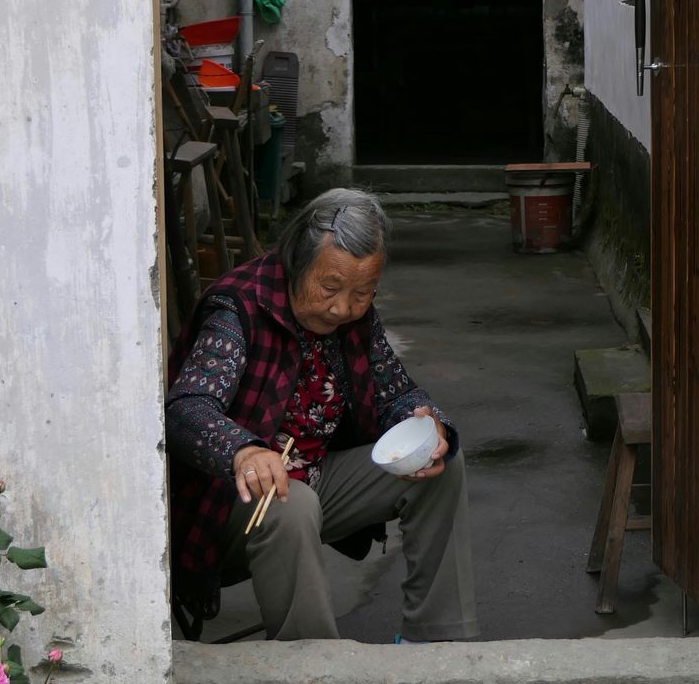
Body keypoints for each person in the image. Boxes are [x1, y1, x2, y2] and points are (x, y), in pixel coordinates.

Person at [166, 188, 477, 642]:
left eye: (363, 293)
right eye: (330, 288)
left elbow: (396, 390)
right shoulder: (238, 307)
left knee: (442, 464)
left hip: (315, 479)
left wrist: (424, 420)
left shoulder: (354, 318)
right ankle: (312, 663)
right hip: (230, 504)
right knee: (291, 502)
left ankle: (437, 641)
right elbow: (185, 408)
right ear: (296, 258)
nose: (342, 308)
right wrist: (244, 451)